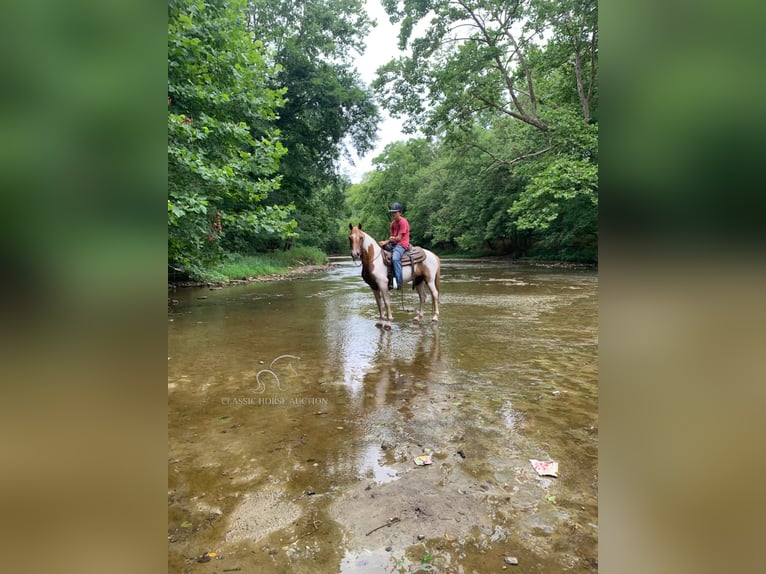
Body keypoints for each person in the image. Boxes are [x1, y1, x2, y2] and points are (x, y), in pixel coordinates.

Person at [378, 202, 410, 289]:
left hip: (402, 244)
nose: (393, 214)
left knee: (395, 258)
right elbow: (392, 238)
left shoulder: (403, 222)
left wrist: (386, 241)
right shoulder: (392, 223)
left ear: (400, 212)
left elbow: (399, 238)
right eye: (392, 212)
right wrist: (386, 242)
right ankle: (388, 279)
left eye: (395, 212)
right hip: (394, 244)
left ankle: (398, 282)